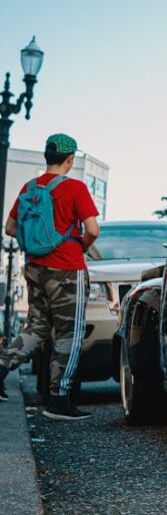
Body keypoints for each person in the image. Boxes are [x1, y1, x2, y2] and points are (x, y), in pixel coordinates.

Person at [0, 134, 100, 420]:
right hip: (67, 268)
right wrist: (79, 244)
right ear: (69, 159)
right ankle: (59, 399)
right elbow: (92, 230)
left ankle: (1, 368)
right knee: (70, 333)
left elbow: (10, 228)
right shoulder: (75, 188)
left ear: (47, 156)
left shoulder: (29, 188)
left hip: (34, 268)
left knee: (37, 327)